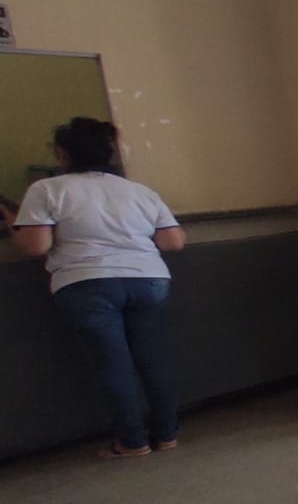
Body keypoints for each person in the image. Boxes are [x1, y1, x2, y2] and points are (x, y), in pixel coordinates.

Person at [3, 117, 186, 457]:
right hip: (148, 279)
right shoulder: (139, 191)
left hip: (86, 282)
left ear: (62, 153)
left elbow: (36, 246)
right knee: (153, 359)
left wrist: (15, 224)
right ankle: (166, 434)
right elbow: (173, 241)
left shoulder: (47, 189)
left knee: (114, 363)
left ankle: (132, 441)